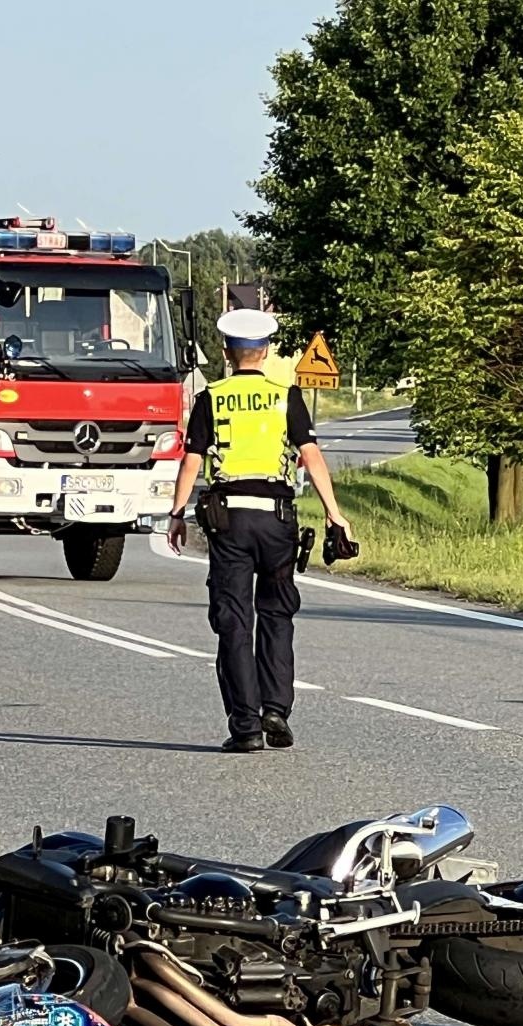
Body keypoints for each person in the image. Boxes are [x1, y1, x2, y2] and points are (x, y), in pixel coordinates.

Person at [167, 310, 353, 753]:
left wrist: (176, 513)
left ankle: (246, 727)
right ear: (265, 352)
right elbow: (311, 456)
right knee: (277, 614)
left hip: (229, 520)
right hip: (277, 520)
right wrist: (335, 514)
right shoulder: (284, 395)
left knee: (233, 620)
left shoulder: (212, 397)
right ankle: (276, 708)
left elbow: (191, 460)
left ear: (228, 353)